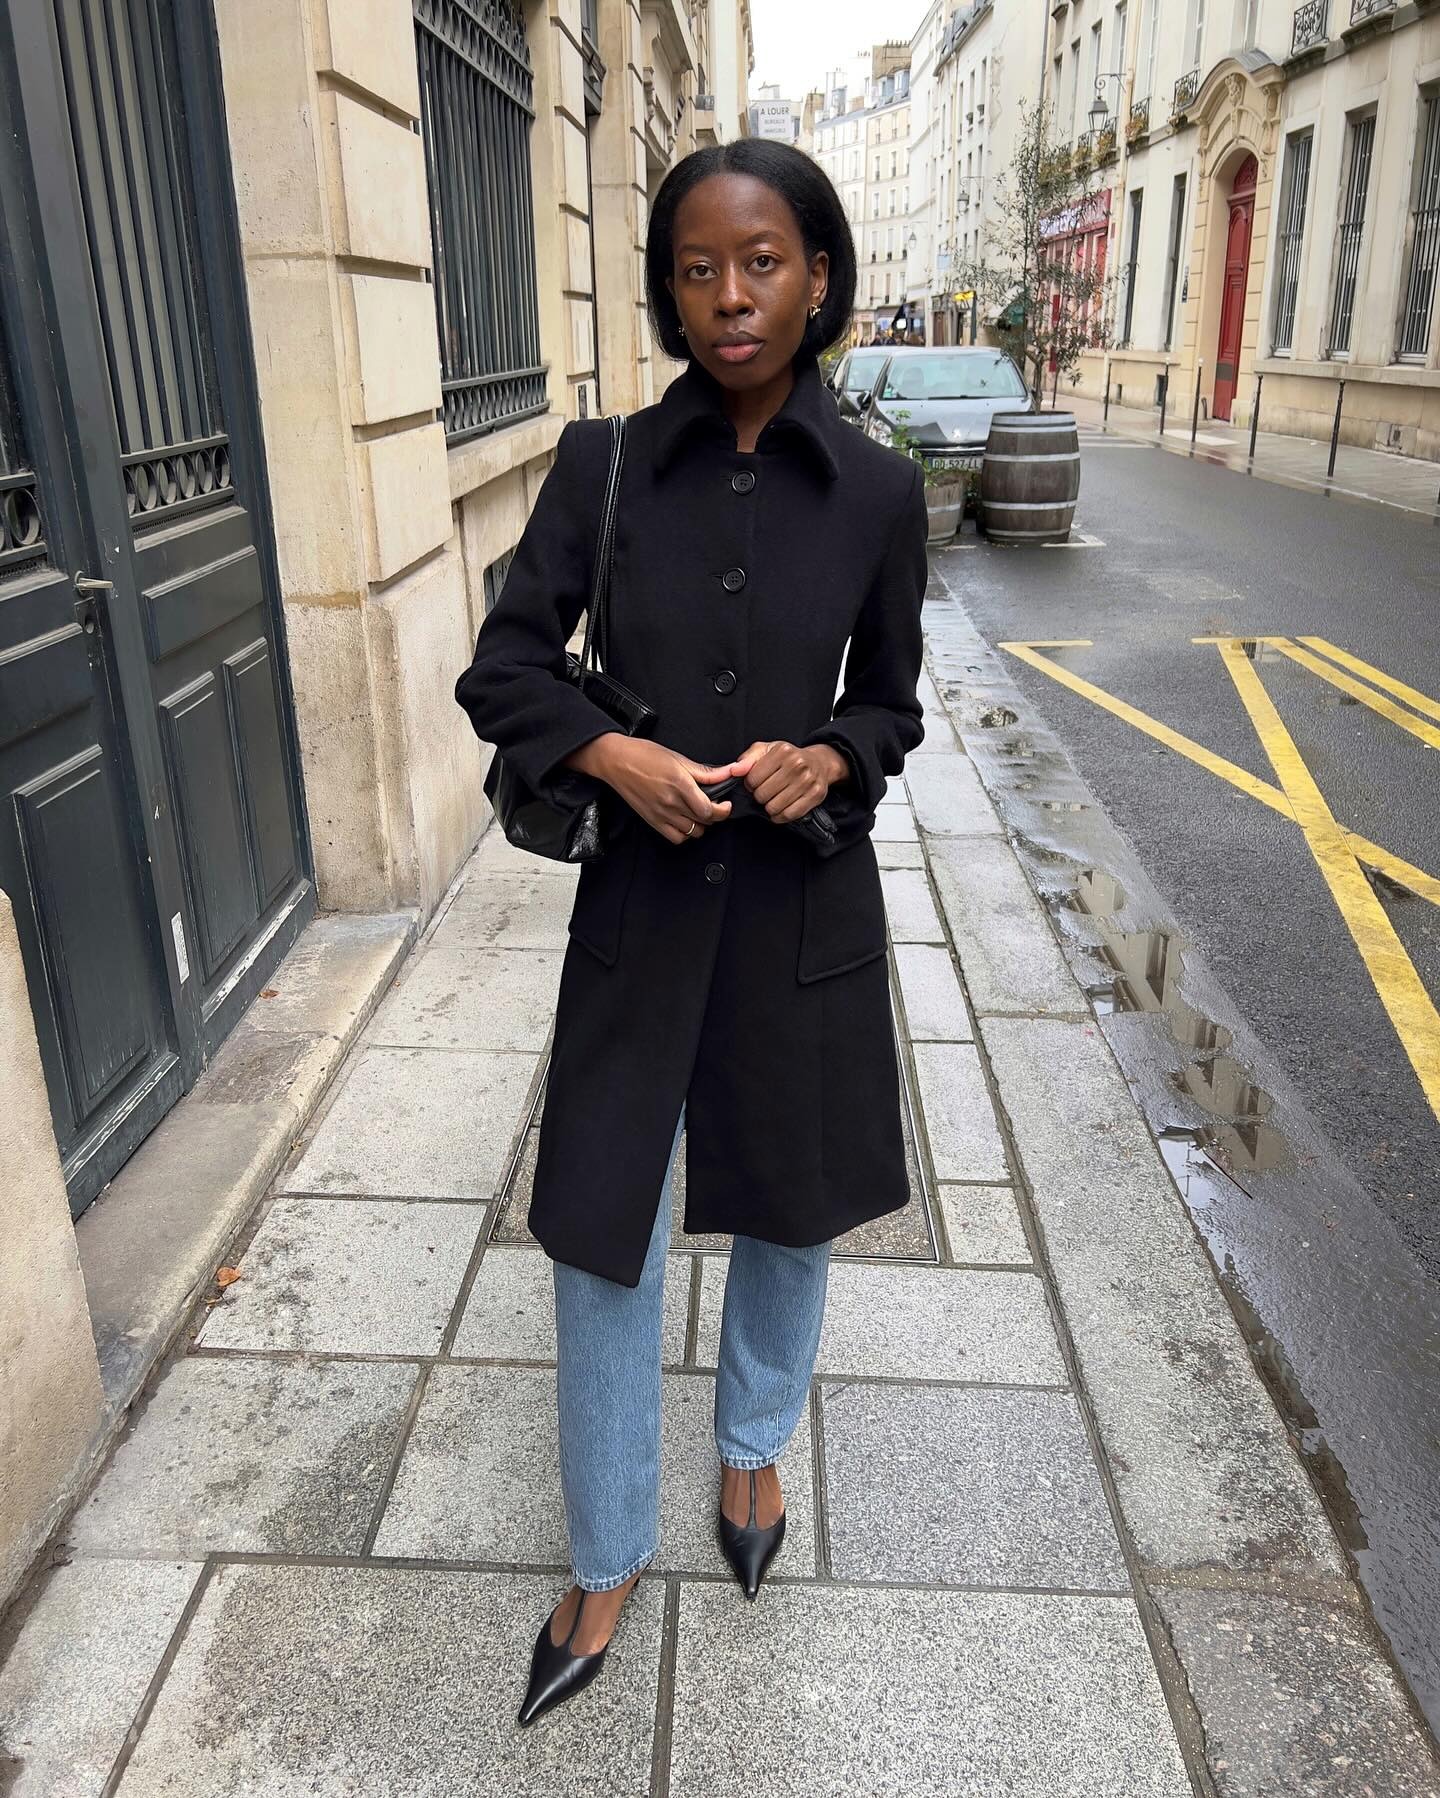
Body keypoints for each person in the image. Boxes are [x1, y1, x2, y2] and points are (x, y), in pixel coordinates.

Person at [453, 137, 929, 1728]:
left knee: (791, 1213)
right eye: (698, 269)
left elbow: (894, 703)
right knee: (602, 1231)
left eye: (764, 262)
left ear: (819, 274)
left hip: (802, 910)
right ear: (667, 289)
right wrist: (609, 753)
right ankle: (605, 1550)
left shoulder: (877, 489)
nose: (731, 298)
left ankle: (751, 1455)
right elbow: (504, 669)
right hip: (641, 920)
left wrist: (833, 753)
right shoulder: (598, 468)